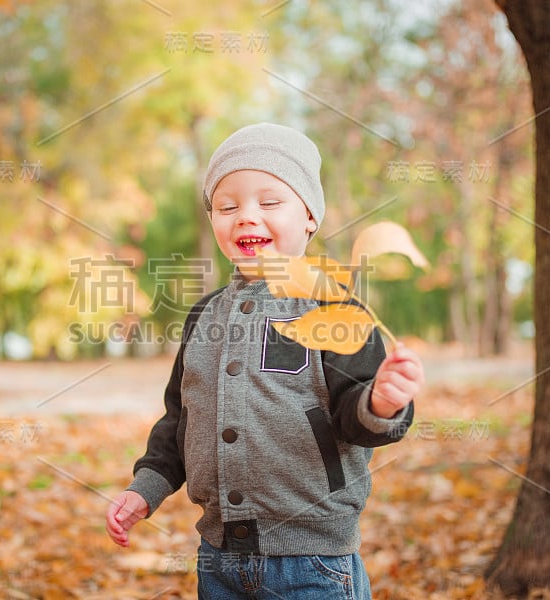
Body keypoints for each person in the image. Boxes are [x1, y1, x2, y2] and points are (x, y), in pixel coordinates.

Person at [106, 122, 424, 599]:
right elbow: (181, 421)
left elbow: (355, 417)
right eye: (227, 205)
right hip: (218, 560)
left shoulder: (332, 308)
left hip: (312, 563)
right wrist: (145, 488)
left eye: (269, 202)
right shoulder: (203, 317)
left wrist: (381, 403)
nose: (245, 217)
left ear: (310, 216)